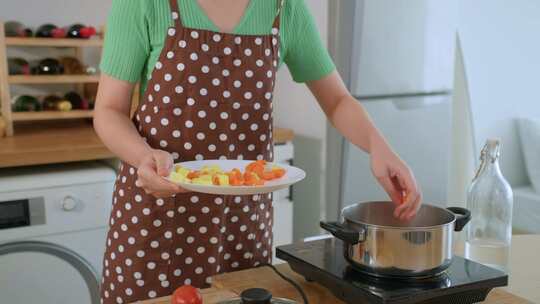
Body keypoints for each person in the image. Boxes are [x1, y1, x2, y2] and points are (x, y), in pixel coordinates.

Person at [94, 0, 422, 303]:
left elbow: (336, 100)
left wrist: (380, 147)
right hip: (155, 216)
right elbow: (108, 110)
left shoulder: (283, 8)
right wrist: (141, 156)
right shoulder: (144, 4)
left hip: (240, 222)